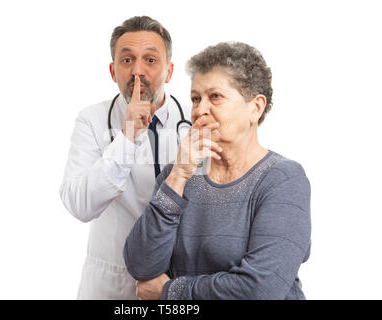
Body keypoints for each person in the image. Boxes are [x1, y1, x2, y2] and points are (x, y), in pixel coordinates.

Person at [123, 41, 311, 300]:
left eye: (215, 97)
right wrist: (178, 176)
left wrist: (170, 291)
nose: (200, 110)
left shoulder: (282, 180)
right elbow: (141, 268)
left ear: (255, 107)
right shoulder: (176, 175)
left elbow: (260, 290)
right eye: (195, 98)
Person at [59, 16, 190, 299]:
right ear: (113, 70)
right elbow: (79, 204)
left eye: (151, 60)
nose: (137, 71)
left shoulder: (194, 123)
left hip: (179, 283)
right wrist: (127, 136)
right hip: (114, 284)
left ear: (169, 71)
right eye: (127, 60)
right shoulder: (91, 120)